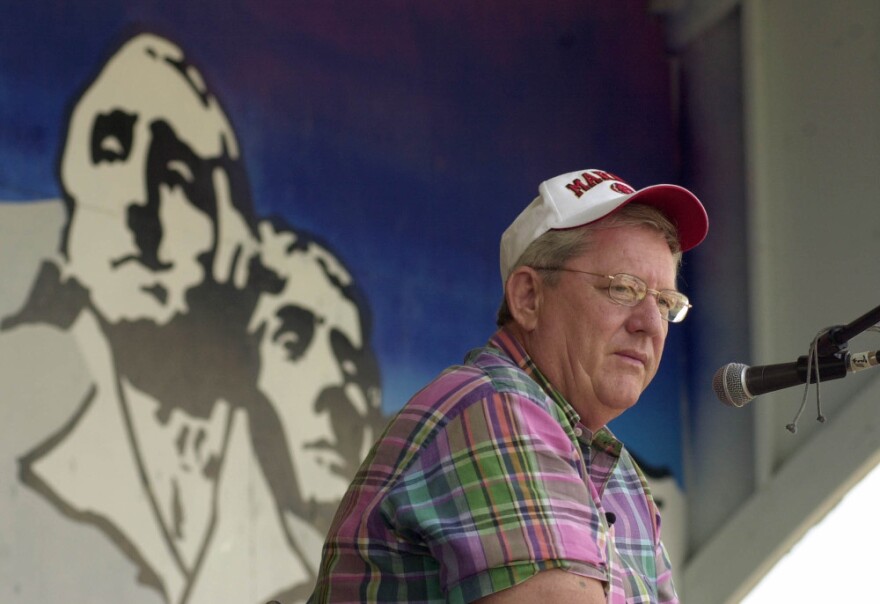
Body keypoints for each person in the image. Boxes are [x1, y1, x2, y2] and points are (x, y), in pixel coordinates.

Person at [309, 168, 709, 603]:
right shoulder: (494, 408)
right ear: (528, 298)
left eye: (666, 303)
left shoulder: (624, 481)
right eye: (624, 289)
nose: (651, 324)